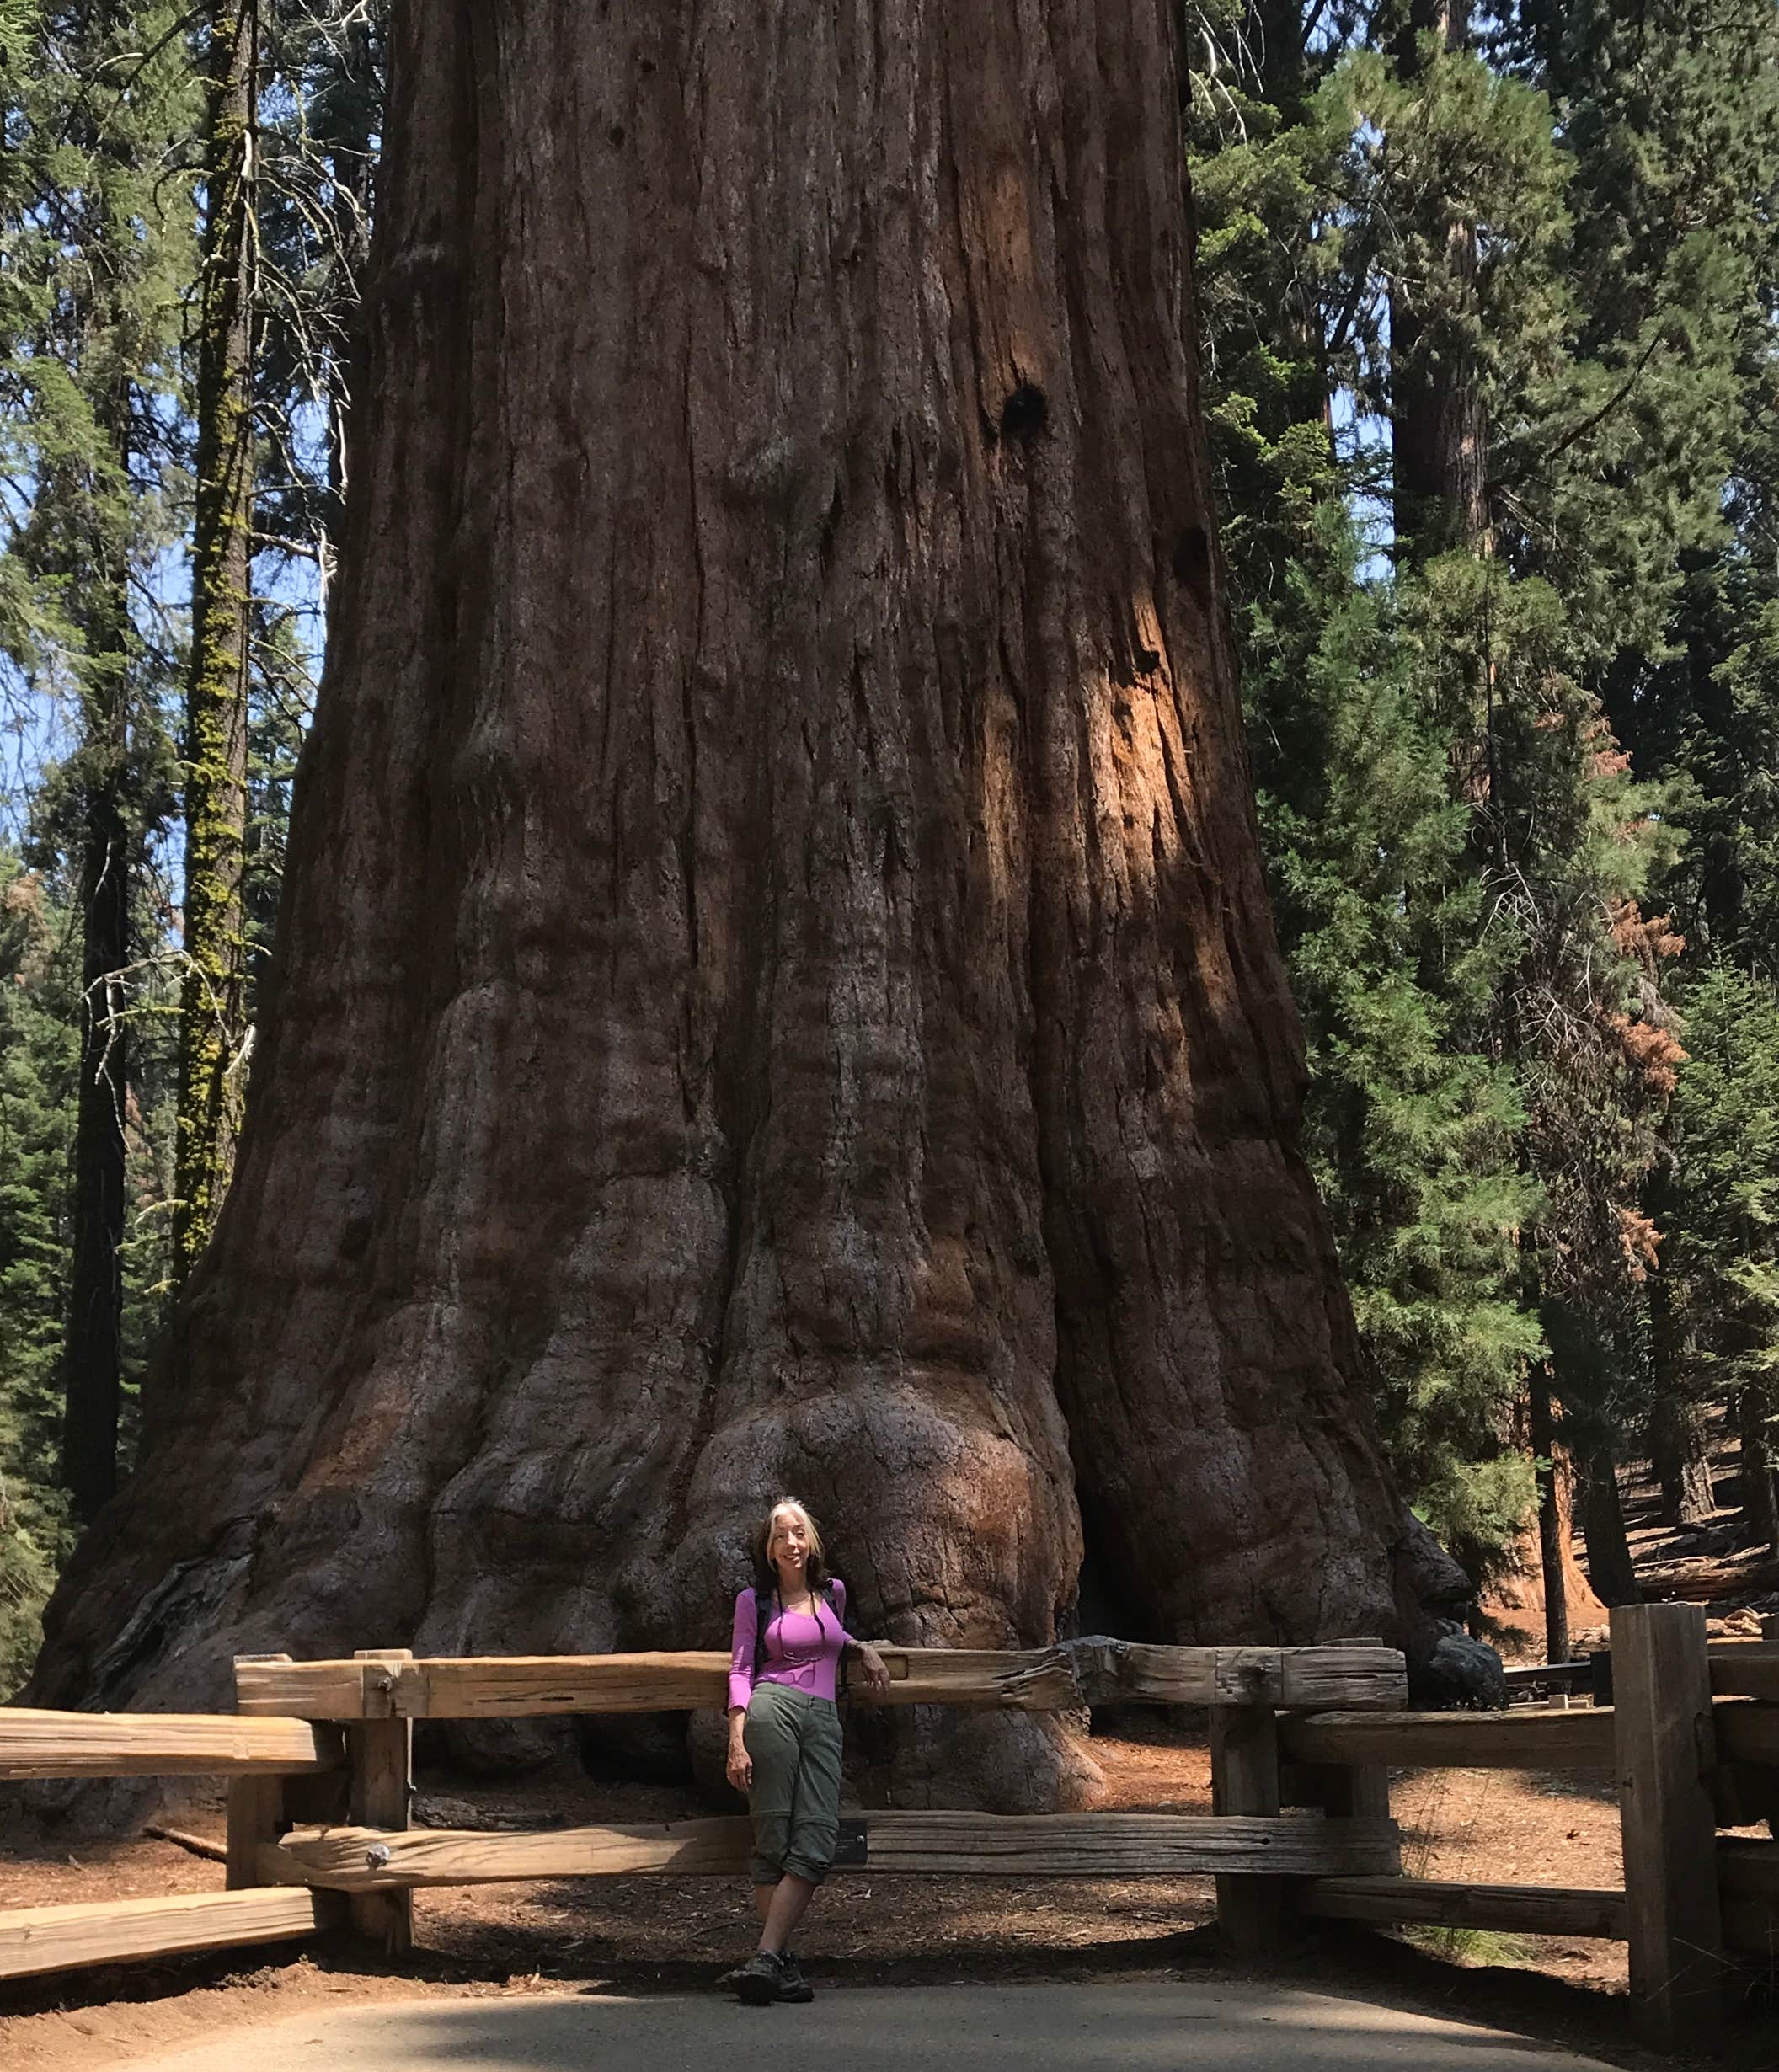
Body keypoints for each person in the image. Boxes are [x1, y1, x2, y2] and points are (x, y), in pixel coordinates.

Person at [721, 1496, 890, 2005]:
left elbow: (835, 1639)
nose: (790, 1543)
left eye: (797, 1533)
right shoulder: (756, 1601)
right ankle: (779, 1964)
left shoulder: (833, 1594)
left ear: (810, 1540)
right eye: (779, 1536)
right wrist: (735, 1739)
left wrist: (863, 1647)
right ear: (769, 1549)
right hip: (772, 1712)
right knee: (774, 1833)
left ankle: (767, 1959)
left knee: (816, 1837)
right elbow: (741, 1668)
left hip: (823, 1720)